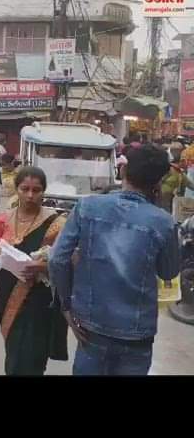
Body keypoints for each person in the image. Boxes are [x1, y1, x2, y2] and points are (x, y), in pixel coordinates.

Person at [49, 144, 180, 377]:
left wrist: (66, 307)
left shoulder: (87, 207)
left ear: (124, 171)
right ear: (158, 182)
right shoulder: (164, 222)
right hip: (137, 332)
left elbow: (57, 259)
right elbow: (168, 273)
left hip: (91, 326)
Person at [0, 166, 69, 377]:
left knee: (31, 357)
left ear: (43, 191)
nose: (30, 195)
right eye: (25, 189)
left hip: (39, 302)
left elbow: (70, 261)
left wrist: (44, 266)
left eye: (36, 190)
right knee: (14, 353)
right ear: (17, 189)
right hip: (7, 296)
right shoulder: (3, 219)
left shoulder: (57, 224)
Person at [160, 144, 188, 214]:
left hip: (174, 196)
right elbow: (161, 180)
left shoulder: (180, 172)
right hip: (165, 195)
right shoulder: (170, 169)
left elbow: (188, 183)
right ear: (180, 161)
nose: (186, 164)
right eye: (184, 162)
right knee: (166, 210)